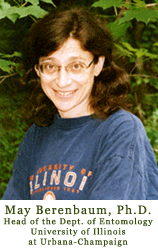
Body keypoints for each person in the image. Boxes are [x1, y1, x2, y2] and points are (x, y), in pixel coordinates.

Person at [2, 7, 158, 200]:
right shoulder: (36, 135)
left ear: (98, 65)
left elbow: (108, 226)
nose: (62, 81)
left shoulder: (120, 130)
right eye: (50, 66)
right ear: (37, 69)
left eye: (76, 66)